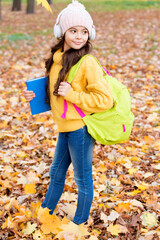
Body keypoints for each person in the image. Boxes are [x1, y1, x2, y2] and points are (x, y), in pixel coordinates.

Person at [23, 0, 113, 226]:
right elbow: (55, 95)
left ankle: (79, 224)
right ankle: (44, 214)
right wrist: (36, 97)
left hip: (80, 131)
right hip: (64, 129)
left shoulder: (87, 62)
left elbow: (105, 100)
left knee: (82, 180)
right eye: (73, 30)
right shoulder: (56, 61)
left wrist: (73, 94)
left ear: (89, 33)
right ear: (61, 32)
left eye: (84, 31)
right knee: (56, 174)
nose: (79, 36)